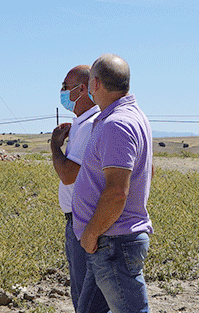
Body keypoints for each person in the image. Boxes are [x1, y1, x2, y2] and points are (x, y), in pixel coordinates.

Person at [72, 54, 153, 313]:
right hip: (109, 243)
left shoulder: (117, 124)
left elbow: (117, 192)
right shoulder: (128, 117)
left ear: (95, 84)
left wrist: (91, 234)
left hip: (112, 243)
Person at [50, 64, 105, 313]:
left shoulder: (89, 125)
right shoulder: (82, 124)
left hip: (82, 220)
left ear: (81, 89)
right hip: (78, 219)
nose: (62, 92)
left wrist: (54, 147)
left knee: (85, 297)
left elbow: (68, 174)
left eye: (65, 86)